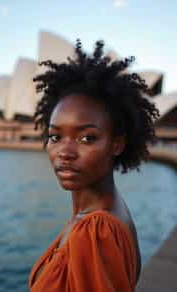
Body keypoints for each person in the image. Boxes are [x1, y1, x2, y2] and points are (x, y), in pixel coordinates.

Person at [29, 40, 159, 292]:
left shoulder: (96, 232)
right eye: (55, 136)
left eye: (87, 138)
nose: (65, 152)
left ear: (117, 144)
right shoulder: (109, 210)